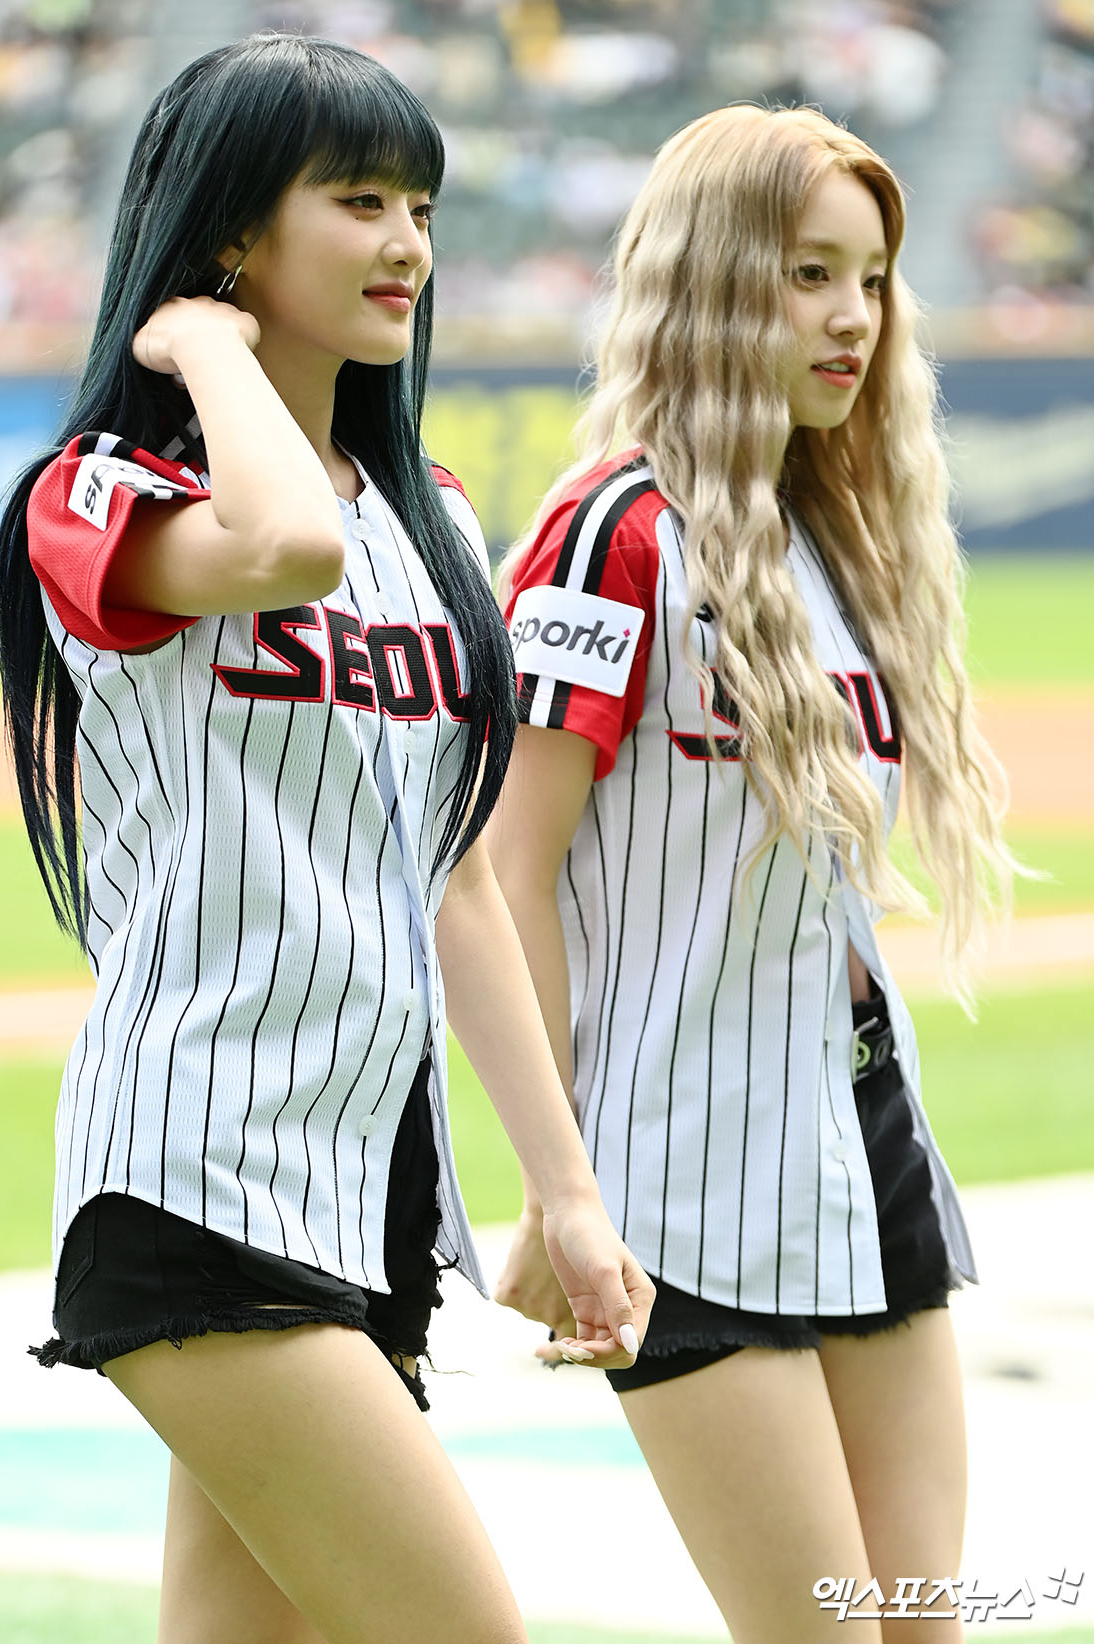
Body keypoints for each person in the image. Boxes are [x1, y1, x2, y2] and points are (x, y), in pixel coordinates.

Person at [0, 34, 652, 1644]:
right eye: (359, 201)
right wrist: (200, 349)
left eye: (421, 204)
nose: (409, 242)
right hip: (193, 1175)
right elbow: (282, 543)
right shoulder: (98, 493)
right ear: (230, 233)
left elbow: (463, 879)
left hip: (362, 1199)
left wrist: (566, 1191)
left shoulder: (435, 522)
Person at [490, 104, 1019, 1642]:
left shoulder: (838, 535)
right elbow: (506, 877)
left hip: (870, 1150)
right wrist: (559, 1186)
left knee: (922, 1626)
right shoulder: (608, 533)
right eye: (809, 273)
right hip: (682, 1183)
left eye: (873, 280)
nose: (854, 316)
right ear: (713, 278)